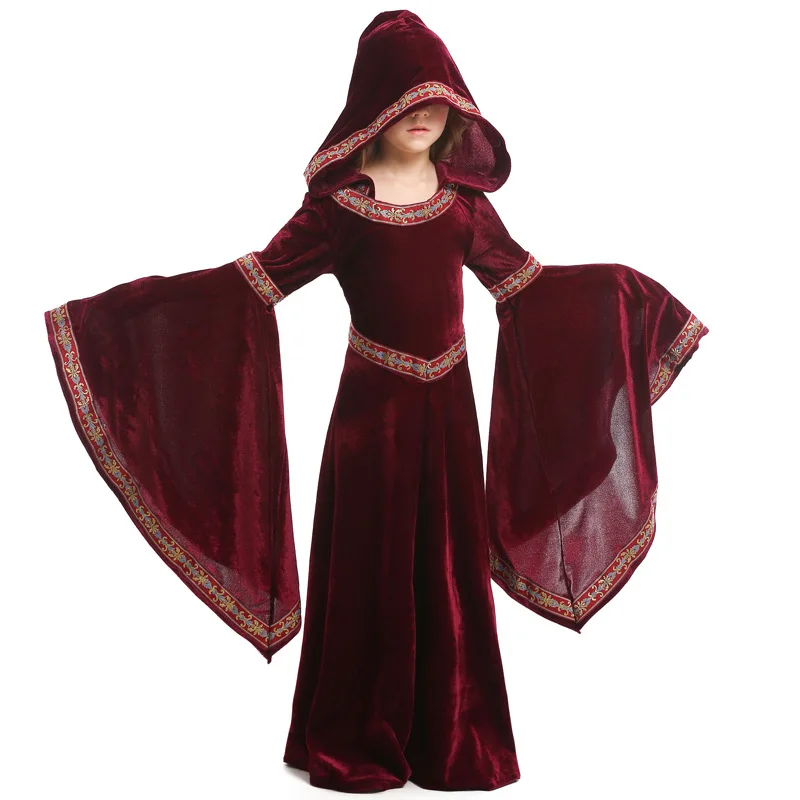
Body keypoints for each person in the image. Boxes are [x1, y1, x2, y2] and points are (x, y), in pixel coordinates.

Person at [43, 9, 710, 794]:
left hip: (451, 418)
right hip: (371, 422)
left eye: (437, 97)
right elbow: (252, 284)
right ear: (374, 104)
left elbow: (527, 287)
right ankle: (355, 736)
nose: (423, 111)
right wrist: (117, 321)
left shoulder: (463, 206)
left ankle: (452, 736)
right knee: (369, 564)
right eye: (405, 95)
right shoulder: (337, 209)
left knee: (449, 569)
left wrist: (626, 297)